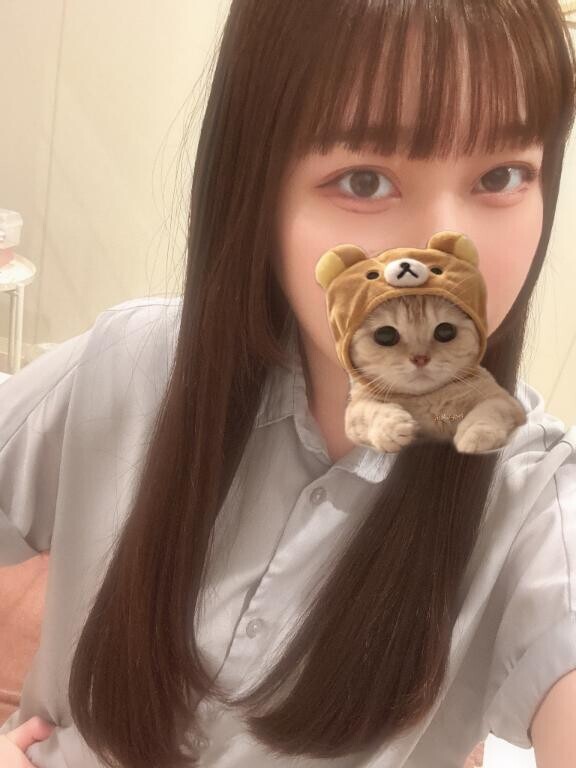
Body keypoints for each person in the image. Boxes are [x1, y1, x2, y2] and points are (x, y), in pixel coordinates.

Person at [1, 1, 575, 767]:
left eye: (501, 176)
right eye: (365, 180)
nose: (448, 253)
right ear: (256, 188)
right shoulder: (129, 366)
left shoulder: (533, 504)